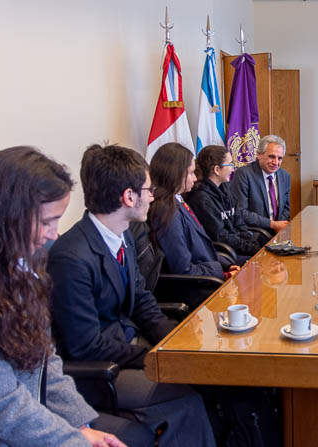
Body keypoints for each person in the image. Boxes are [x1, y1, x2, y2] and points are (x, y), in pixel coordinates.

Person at [48, 144, 216, 446]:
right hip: (100, 371)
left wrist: (175, 340)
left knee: (207, 376)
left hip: (127, 347)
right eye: (148, 190)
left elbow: (141, 300)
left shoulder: (122, 233)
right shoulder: (71, 256)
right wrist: (154, 357)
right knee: (189, 399)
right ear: (129, 197)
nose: (153, 196)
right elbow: (86, 347)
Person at [0, 146, 127, 446]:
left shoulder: (22, 268)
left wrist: (80, 424)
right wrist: (75, 441)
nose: (54, 234)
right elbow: (0, 403)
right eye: (46, 221)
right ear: (4, 216)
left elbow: (45, 360)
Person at [148, 142, 242, 279]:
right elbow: (183, 268)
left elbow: (200, 244)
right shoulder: (166, 212)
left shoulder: (177, 199)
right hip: (198, 285)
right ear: (176, 174)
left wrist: (225, 264)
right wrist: (222, 274)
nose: (196, 178)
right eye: (191, 173)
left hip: (208, 271)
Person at [186, 145, 265, 256]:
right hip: (226, 253)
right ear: (217, 170)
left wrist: (252, 243)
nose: (233, 169)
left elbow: (239, 223)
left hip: (239, 247)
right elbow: (220, 236)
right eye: (230, 164)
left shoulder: (226, 188)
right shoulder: (201, 199)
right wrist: (252, 249)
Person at [231, 134, 291, 233]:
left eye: (280, 158)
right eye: (271, 157)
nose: (276, 163)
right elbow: (241, 212)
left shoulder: (285, 176)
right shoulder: (244, 174)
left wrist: (280, 226)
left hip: (278, 231)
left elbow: (286, 209)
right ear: (259, 155)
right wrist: (272, 224)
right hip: (255, 232)